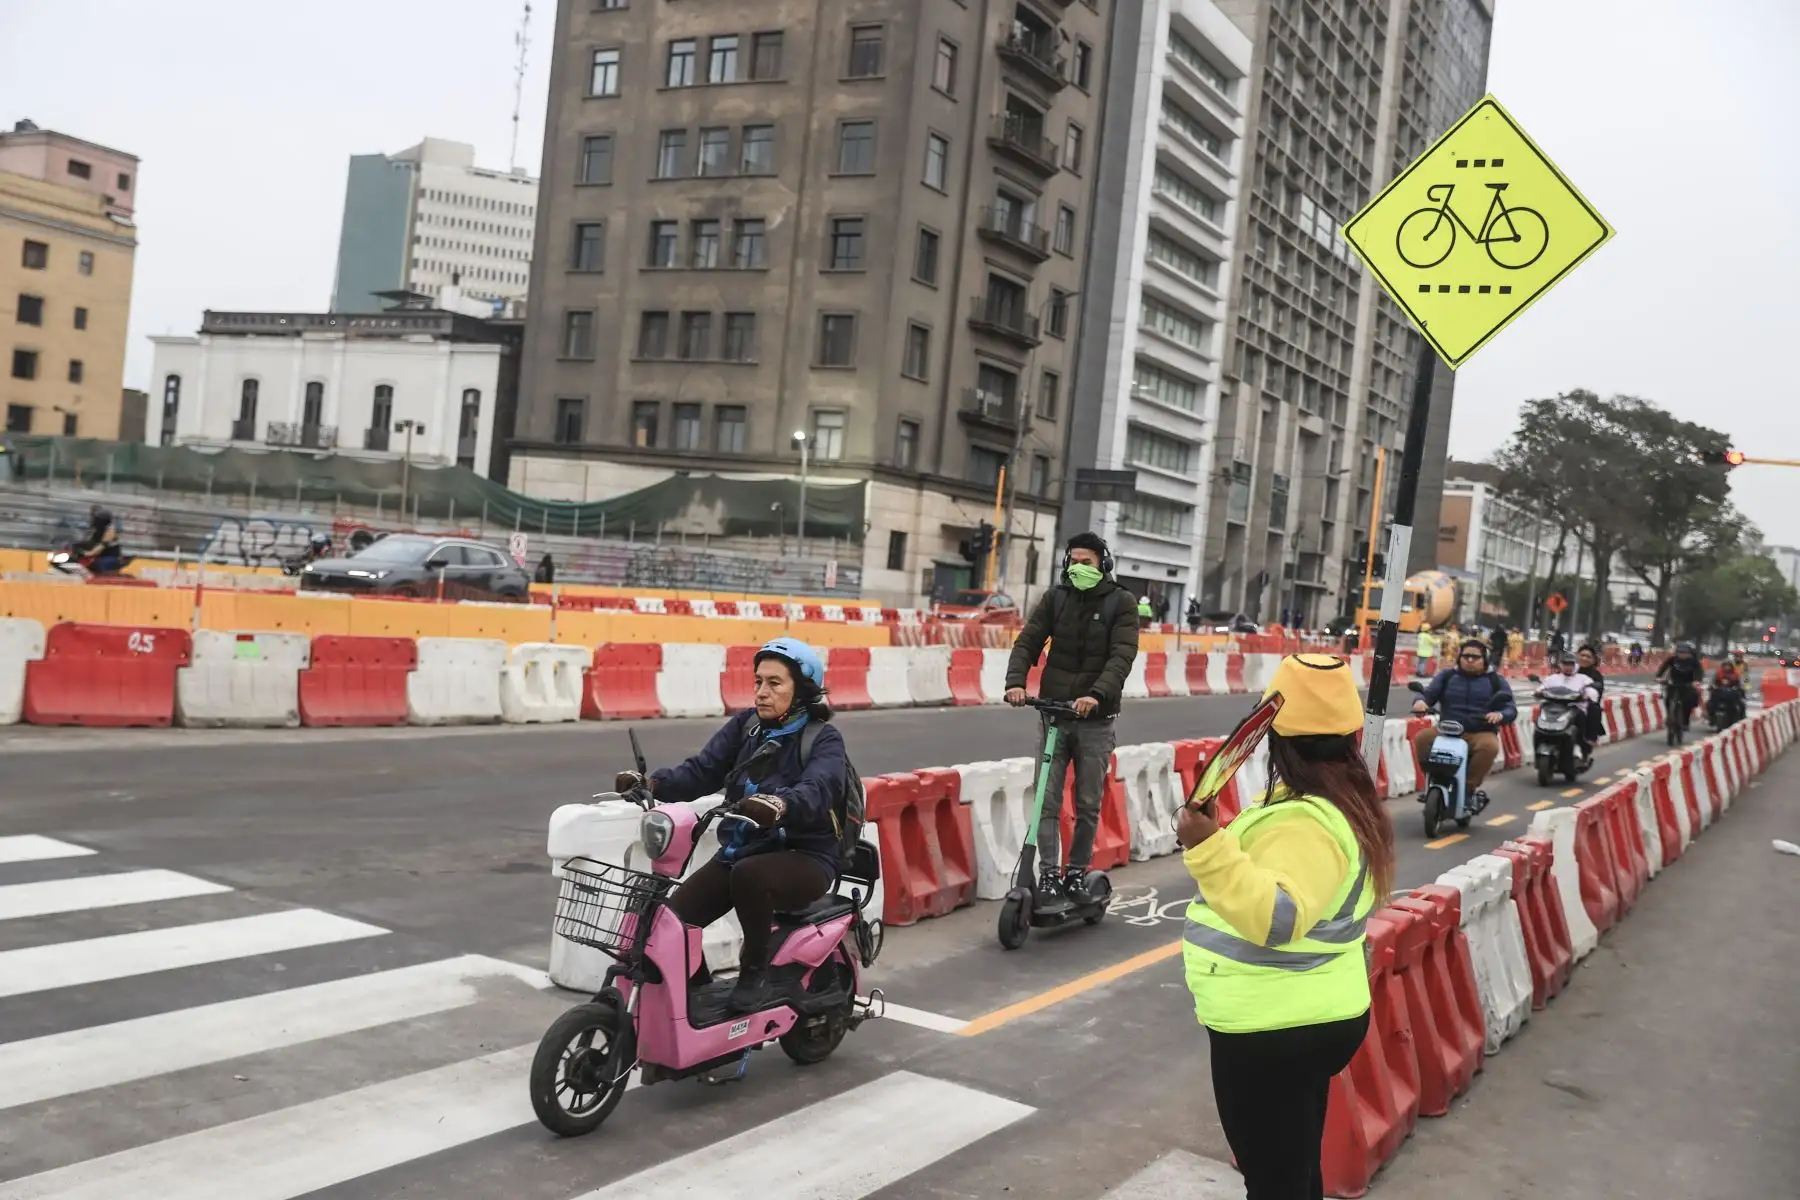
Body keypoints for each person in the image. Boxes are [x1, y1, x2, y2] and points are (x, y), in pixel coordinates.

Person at [1174, 654, 1395, 1200]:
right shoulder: (1338, 801)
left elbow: (1278, 917)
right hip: (1306, 1014)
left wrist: (1206, 847)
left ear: (1277, 738)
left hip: (1273, 1026)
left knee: (1273, 1181)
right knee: (1292, 1171)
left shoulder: (1303, 821)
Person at [620, 638, 846, 1022]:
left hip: (805, 857)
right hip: (745, 850)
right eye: (758, 681)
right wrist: (652, 784)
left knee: (750, 876)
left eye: (775, 684)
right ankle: (695, 995)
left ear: (803, 690)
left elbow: (820, 788)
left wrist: (783, 805)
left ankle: (754, 973)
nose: (761, 692)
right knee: (670, 924)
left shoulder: (823, 739)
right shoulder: (747, 727)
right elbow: (702, 771)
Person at [1003, 532, 1139, 904]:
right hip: (1054, 716)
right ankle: (1048, 874)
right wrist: (1016, 682)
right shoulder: (1056, 599)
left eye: (1087, 563)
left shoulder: (1121, 603)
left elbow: (1121, 657)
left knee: (1086, 802)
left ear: (1103, 565)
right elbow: (1028, 641)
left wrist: (1096, 695)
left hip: (1095, 719)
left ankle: (1077, 873)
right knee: (1045, 801)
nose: (1079, 569)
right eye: (1074, 562)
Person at [1410, 638, 1517, 800]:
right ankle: (1432, 780)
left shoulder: (1496, 680)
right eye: (1466, 656)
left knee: (1489, 747)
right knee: (1421, 739)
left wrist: (1500, 715)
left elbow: (1510, 708)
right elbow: (1428, 694)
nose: (1470, 660)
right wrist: (1420, 702)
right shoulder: (1446, 676)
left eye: (1475, 657)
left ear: (1485, 660)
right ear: (1459, 657)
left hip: (1480, 731)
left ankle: (1468, 788)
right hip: (1446, 729)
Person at [1656, 642, 1705, 723]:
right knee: (1668, 698)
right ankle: (1669, 715)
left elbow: (1699, 672)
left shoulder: (1694, 661)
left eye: (1685, 653)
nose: (1682, 655)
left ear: (1689, 653)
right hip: (1674, 682)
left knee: (1688, 701)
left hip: (1688, 683)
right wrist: (1659, 677)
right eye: (1680, 652)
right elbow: (1663, 667)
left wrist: (1696, 681)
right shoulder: (1672, 659)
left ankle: (1686, 720)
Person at [75, 503, 122, 572]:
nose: (94, 521)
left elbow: (100, 547)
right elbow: (90, 542)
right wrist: (76, 547)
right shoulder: (96, 530)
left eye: (96, 519)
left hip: (111, 558)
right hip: (100, 555)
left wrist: (86, 553)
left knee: (96, 564)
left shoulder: (110, 532)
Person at [1575, 644, 1607, 746]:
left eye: (1588, 657)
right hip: (1566, 703)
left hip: (1584, 705)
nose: (1584, 658)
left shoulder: (1596, 676)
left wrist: (1587, 695)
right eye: (1582, 655)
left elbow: (1597, 693)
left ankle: (1590, 738)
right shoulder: (1570, 670)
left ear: (1593, 660)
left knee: (1594, 709)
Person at [1709, 657, 1746, 726]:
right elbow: (1713, 683)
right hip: (1719, 693)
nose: (1727, 667)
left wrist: (1738, 688)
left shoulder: (1736, 675)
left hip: (1732, 694)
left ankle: (1739, 720)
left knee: (1741, 705)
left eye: (1728, 666)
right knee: (1710, 704)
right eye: (1725, 666)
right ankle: (1711, 718)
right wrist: (1713, 687)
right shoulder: (1718, 674)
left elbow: (1739, 685)